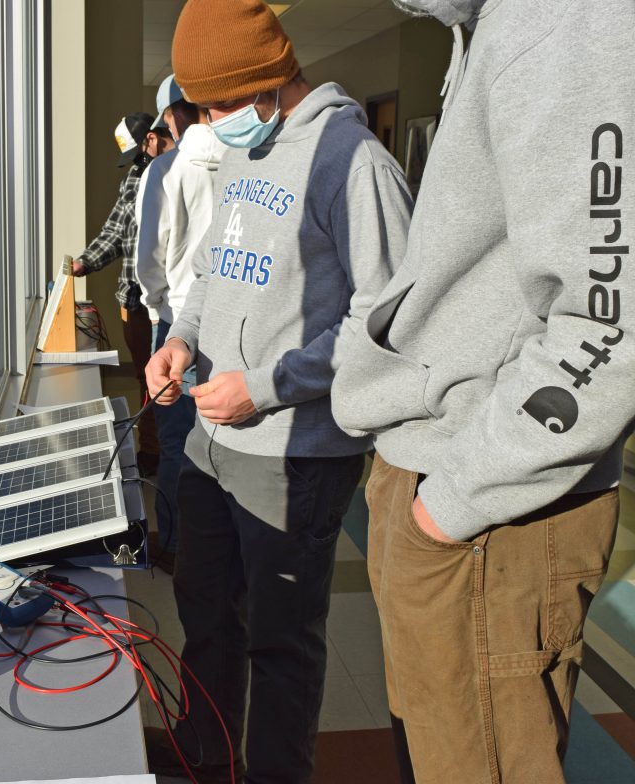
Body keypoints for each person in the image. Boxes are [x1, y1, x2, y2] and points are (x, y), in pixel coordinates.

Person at [330, 1, 634, 782]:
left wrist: (452, 503)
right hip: (450, 485)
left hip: (487, 513)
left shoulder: (569, 20)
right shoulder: (497, 24)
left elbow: (610, 324)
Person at [144, 1, 413, 781]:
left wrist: (265, 387)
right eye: (201, 109)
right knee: (206, 620)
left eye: (222, 105)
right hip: (211, 441)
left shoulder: (352, 161)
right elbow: (213, 275)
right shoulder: (242, 151)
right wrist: (181, 340)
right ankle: (207, 758)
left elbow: (384, 319)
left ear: (269, 81)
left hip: (292, 452)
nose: (212, 123)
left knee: (281, 643)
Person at [135, 73, 227, 571]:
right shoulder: (242, 161)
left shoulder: (166, 170)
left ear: (172, 114)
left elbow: (147, 256)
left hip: (176, 325)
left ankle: (172, 547)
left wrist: (156, 312)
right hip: (231, 326)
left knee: (175, 445)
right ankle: (216, 550)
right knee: (222, 444)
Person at [74, 112, 173, 475]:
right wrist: (85, 263)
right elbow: (116, 229)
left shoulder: (180, 171)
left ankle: (162, 450)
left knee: (165, 377)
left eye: (139, 150)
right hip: (133, 297)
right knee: (147, 377)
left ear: (152, 137)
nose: (137, 160)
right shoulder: (138, 173)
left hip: (167, 301)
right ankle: (152, 450)